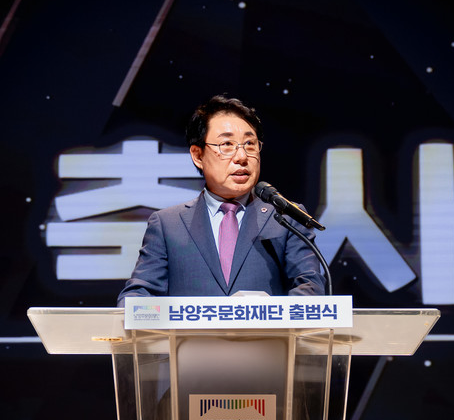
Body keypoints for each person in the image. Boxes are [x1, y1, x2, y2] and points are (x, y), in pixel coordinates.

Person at [117, 95, 325, 306]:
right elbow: (137, 297)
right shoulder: (167, 224)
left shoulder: (285, 218)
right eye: (227, 144)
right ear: (198, 155)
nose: (242, 157)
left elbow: (311, 288)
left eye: (250, 144)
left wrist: (266, 314)